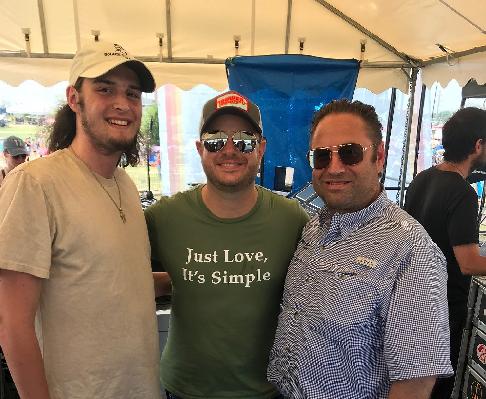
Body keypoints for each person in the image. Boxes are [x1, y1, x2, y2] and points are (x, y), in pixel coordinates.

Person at [0, 41, 161, 399]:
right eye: (105, 89)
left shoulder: (125, 185)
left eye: (132, 94)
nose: (122, 103)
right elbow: (12, 324)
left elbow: (108, 279)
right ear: (74, 99)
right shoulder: (35, 183)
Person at [268, 99, 453, 399]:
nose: (335, 167)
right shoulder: (313, 228)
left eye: (350, 153)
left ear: (378, 157)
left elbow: (416, 383)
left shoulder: (410, 249)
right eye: (322, 156)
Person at [145, 90, 309, 399]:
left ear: (260, 149)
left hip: (267, 390)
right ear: (200, 149)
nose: (230, 150)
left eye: (245, 140)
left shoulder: (291, 219)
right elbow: (115, 271)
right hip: (184, 390)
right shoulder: (164, 218)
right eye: (216, 140)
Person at [404, 107, 486, 399]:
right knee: (435, 389)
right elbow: (468, 262)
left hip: (411, 303)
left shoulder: (423, 178)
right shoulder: (463, 193)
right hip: (442, 311)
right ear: (478, 145)